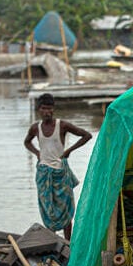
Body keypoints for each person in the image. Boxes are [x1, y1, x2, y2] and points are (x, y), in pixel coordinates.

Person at [24, 93, 93, 241]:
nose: (47, 112)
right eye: (43, 108)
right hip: (43, 173)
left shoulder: (62, 125)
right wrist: (37, 153)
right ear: (38, 109)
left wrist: (69, 151)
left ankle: (68, 244)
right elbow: (27, 142)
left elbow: (86, 135)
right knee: (48, 209)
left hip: (60, 173)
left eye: (49, 108)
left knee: (65, 209)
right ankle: (52, 241)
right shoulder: (35, 128)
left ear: (53, 109)